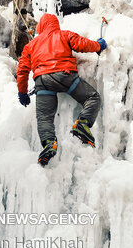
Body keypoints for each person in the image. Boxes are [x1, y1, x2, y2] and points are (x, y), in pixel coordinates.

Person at [16, 13, 107, 166]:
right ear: (55, 24)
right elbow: (82, 44)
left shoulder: (31, 45)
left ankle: (49, 144)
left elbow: (22, 70)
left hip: (43, 82)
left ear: (41, 27)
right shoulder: (63, 35)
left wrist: (22, 92)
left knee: (44, 117)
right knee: (92, 98)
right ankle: (82, 124)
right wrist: (99, 45)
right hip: (64, 77)